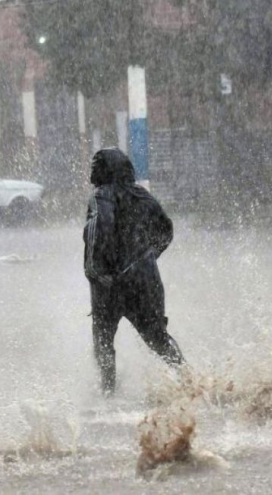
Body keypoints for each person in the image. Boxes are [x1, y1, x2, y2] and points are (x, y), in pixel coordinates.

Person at [84, 147, 185, 394]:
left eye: (95, 166)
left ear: (102, 171)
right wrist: (147, 257)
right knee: (158, 338)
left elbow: (101, 226)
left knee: (103, 341)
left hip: (110, 283)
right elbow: (166, 229)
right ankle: (191, 382)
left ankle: (108, 392)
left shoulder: (100, 196)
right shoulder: (142, 195)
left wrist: (95, 270)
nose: (92, 171)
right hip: (145, 280)